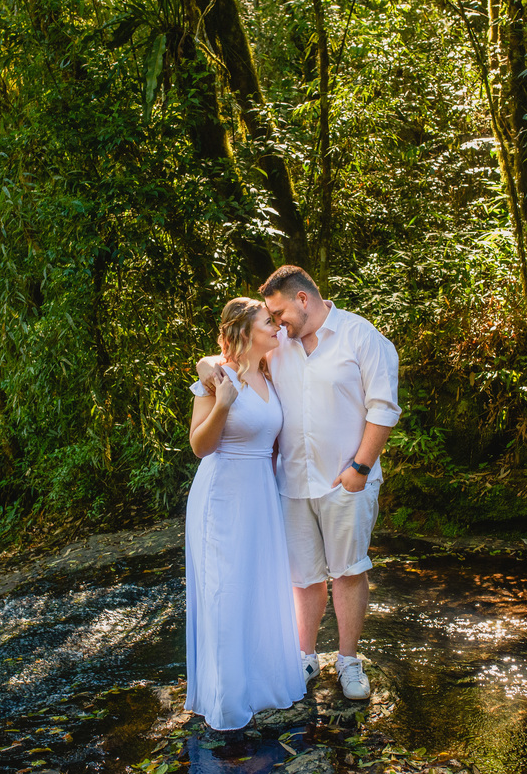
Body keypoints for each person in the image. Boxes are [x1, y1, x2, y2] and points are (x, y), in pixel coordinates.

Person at [198, 266, 400, 701]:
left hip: (345, 479)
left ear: (303, 300)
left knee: (348, 570)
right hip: (289, 482)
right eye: (269, 316)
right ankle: (305, 655)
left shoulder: (361, 337)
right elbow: (230, 358)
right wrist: (205, 367)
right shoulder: (280, 344)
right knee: (303, 576)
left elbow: (383, 409)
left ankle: (348, 659)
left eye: (279, 311)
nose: (276, 321)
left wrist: (359, 470)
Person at [183, 297, 306, 731]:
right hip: (222, 494)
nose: (276, 327)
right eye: (267, 322)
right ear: (242, 331)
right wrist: (222, 401)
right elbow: (199, 446)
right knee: (225, 590)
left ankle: (260, 684)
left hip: (260, 494)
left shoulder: (269, 372)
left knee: (257, 586)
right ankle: (227, 701)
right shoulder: (219, 377)